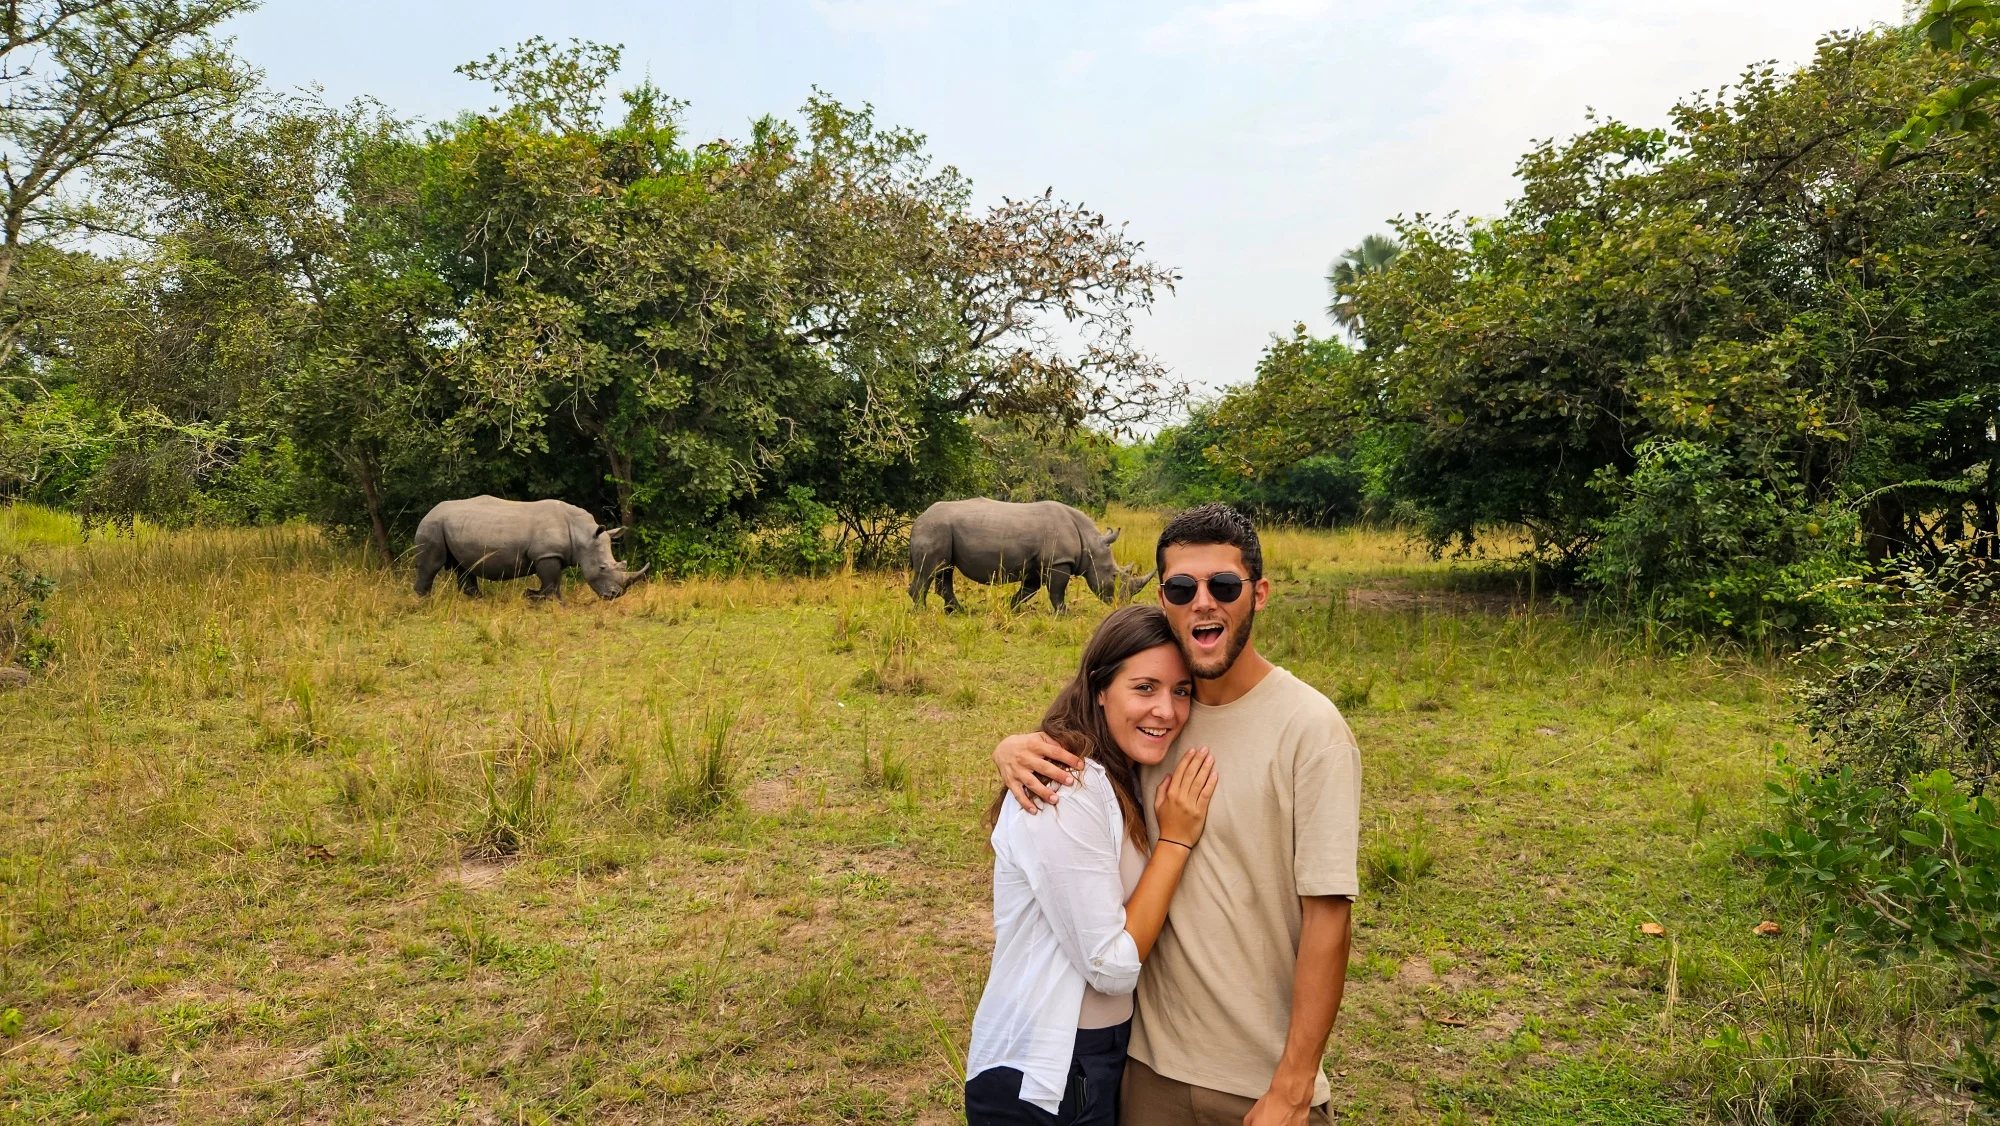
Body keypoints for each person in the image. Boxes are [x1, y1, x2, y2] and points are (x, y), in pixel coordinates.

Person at [994, 504, 1361, 1126]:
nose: (1203, 603)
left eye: (1224, 586)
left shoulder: (1311, 729)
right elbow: (1083, 744)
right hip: (1145, 1068)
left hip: (1256, 1079)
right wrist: (1012, 748)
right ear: (1163, 597)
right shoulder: (1152, 725)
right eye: (1183, 588)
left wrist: (1294, 1087)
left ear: (1259, 594)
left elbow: (1329, 914)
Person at [966, 605, 1221, 1126]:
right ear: (1100, 688)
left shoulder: (1125, 771)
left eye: (1181, 691)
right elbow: (1110, 965)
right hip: (1044, 1071)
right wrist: (1175, 841)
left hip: (1097, 1057)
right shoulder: (1067, 786)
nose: (1167, 711)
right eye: (1145, 688)